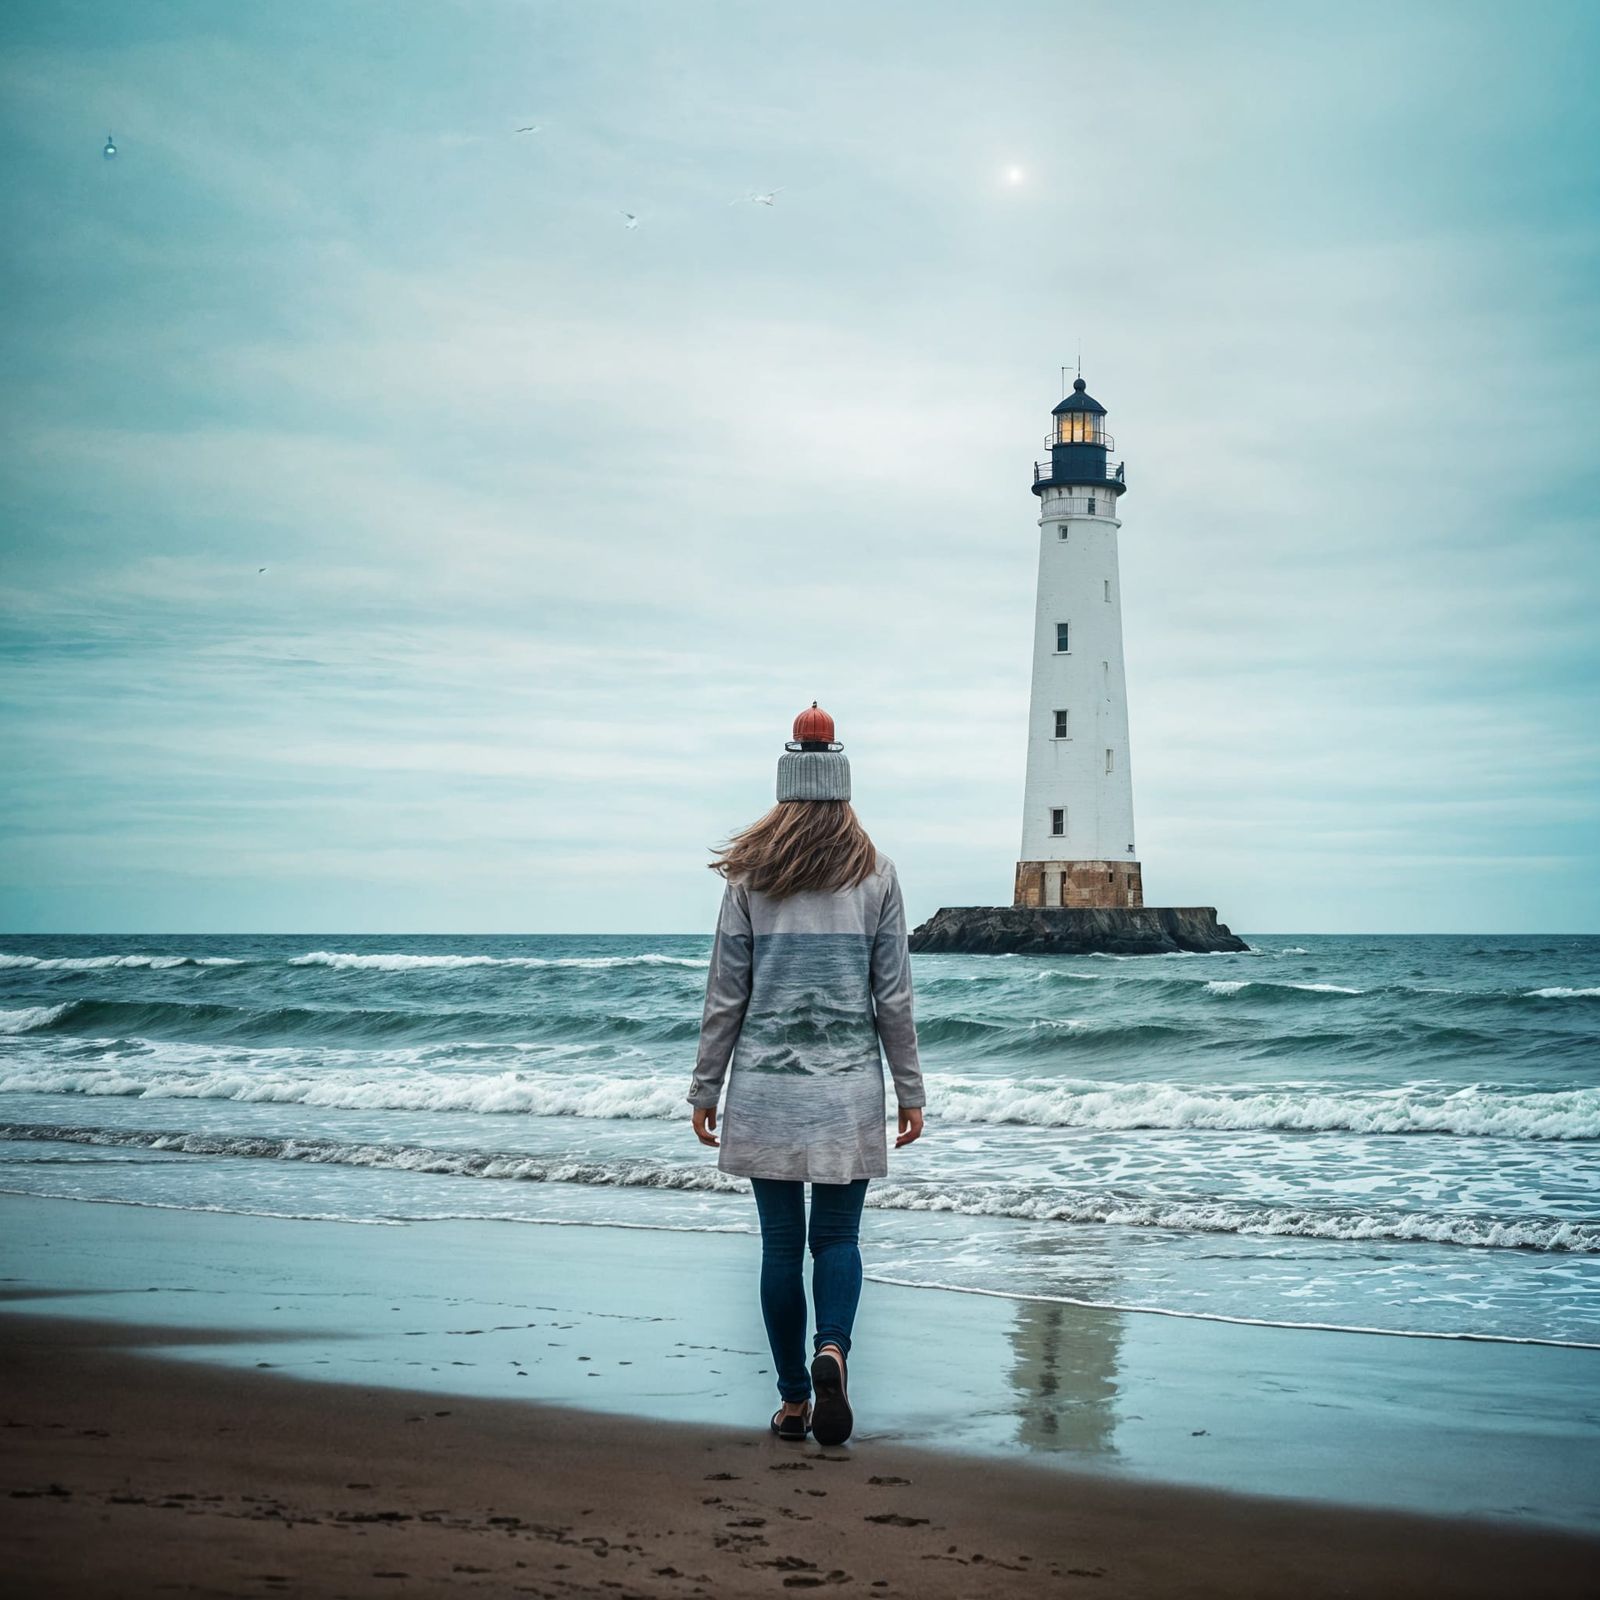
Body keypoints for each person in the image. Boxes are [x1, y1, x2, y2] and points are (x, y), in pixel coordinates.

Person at [686, 704, 925, 1447]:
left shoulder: (751, 877)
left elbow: (727, 993)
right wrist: (911, 1092)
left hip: (766, 1087)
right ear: (842, 785)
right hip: (848, 1086)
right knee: (840, 1238)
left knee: (781, 1247)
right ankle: (833, 1350)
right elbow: (894, 998)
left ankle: (793, 1399)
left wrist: (705, 1088)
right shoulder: (876, 873)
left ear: (788, 782)